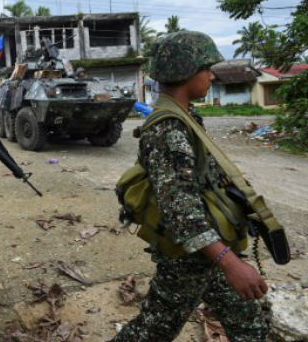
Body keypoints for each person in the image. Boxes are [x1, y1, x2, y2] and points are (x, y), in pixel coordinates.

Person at [111, 31, 268, 341]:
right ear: (185, 70)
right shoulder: (169, 128)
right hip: (191, 256)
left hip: (210, 247)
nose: (211, 75)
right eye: (206, 67)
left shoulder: (186, 117)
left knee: (250, 326)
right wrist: (230, 263)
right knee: (152, 331)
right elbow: (181, 212)